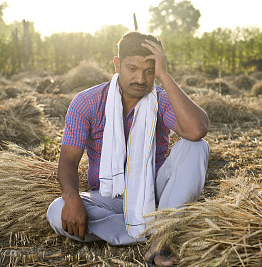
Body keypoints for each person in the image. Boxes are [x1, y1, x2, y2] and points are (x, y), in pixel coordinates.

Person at [47, 31, 209, 266]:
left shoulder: (160, 99)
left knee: (196, 146)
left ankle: (160, 240)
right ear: (117, 64)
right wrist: (72, 199)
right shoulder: (87, 102)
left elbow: (196, 130)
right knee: (57, 211)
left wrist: (164, 75)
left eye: (149, 70)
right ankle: (159, 229)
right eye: (132, 68)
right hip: (108, 196)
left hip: (158, 194)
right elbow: (68, 161)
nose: (140, 79)